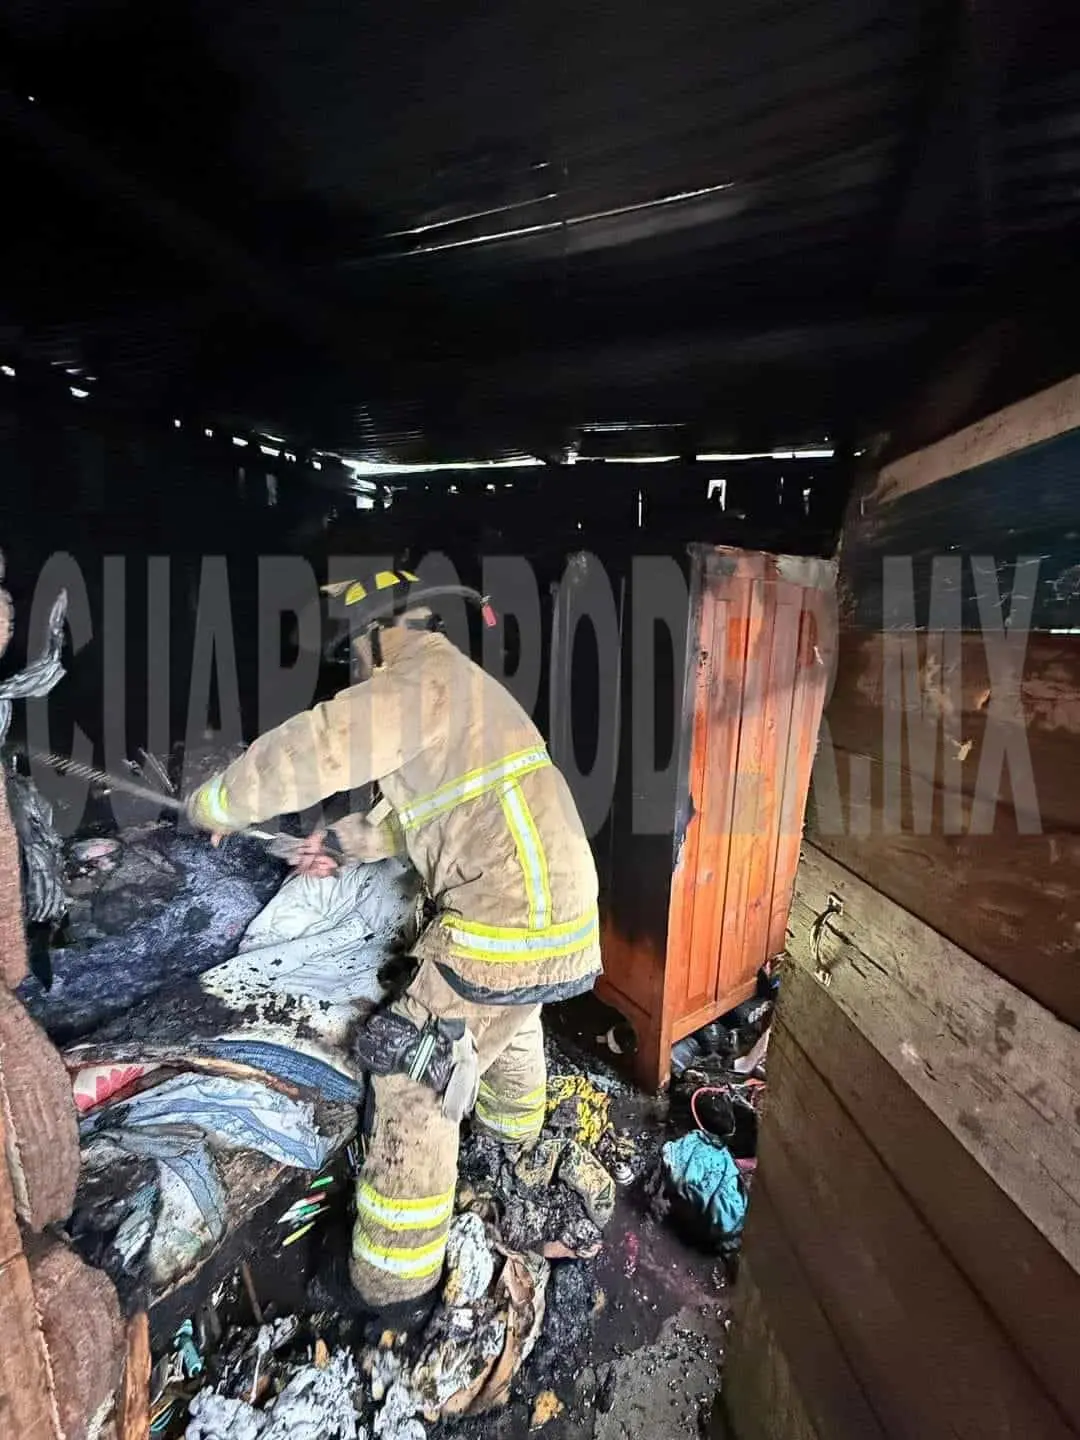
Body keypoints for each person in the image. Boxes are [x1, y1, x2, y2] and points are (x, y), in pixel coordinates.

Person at [186, 570, 600, 1327]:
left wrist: (217, 800)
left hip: (507, 913)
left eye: (351, 658)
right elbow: (426, 820)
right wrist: (339, 844)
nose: (353, 670)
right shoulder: (461, 692)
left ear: (373, 639)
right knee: (509, 1017)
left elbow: (319, 745)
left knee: (411, 1073)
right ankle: (510, 1146)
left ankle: (390, 1286)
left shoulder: (415, 681)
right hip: (558, 915)